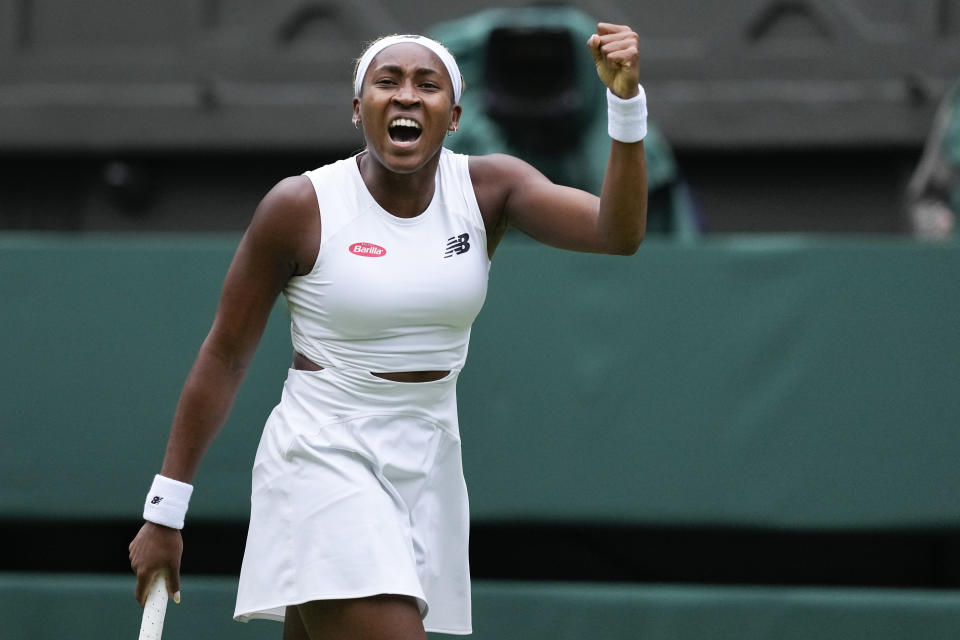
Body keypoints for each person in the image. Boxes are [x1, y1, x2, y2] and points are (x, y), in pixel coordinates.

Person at [128, 21, 647, 640]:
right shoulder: (299, 207)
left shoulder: (490, 189)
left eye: (427, 85)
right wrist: (165, 511)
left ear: (452, 117)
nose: (406, 95)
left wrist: (625, 104)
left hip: (428, 457)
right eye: (387, 81)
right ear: (358, 109)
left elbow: (617, 233)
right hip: (322, 453)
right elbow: (226, 354)